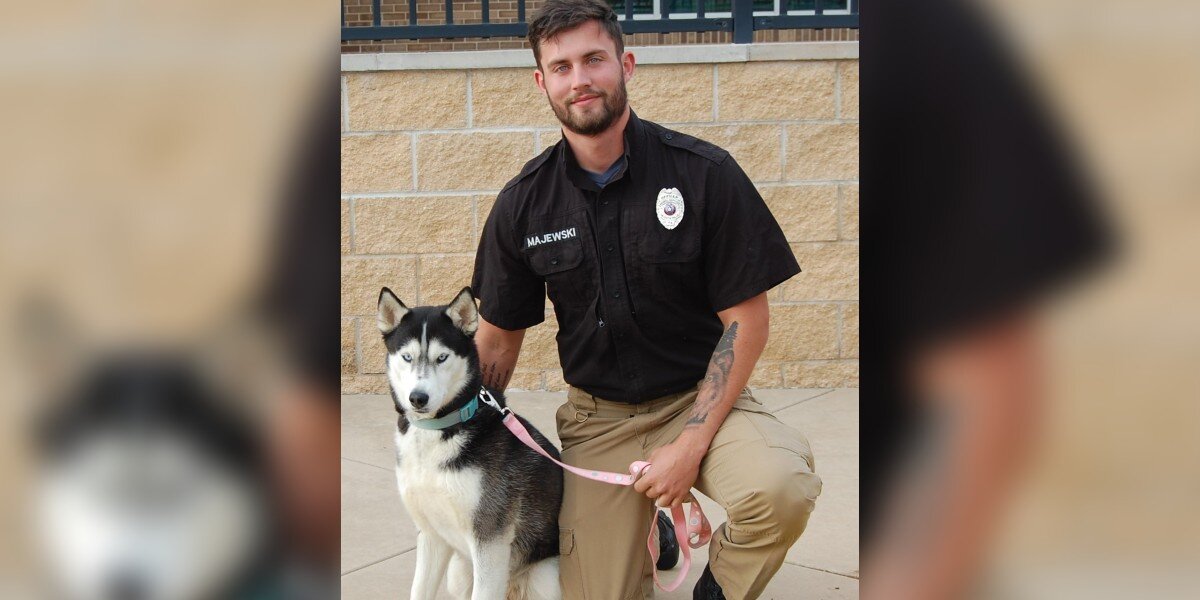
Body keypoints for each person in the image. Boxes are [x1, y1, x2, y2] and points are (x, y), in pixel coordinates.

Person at [469, 1, 822, 598]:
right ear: (541, 82)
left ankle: (717, 589)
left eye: (594, 59)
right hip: (598, 418)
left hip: (700, 399)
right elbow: (498, 340)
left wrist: (690, 445)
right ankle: (654, 529)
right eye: (561, 67)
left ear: (625, 63)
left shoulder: (703, 174)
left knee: (780, 489)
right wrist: (456, 433)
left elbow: (747, 321)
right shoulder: (523, 204)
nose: (579, 79)